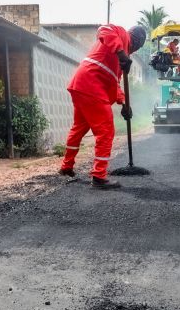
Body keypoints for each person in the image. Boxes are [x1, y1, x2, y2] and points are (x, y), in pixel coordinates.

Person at [59, 24, 147, 189]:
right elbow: (103, 30)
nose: (135, 50)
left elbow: (114, 82)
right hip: (91, 85)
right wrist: (121, 53)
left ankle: (66, 166)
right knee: (106, 131)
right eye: (139, 45)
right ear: (137, 40)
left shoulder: (124, 56)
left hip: (80, 85)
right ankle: (99, 176)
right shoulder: (122, 35)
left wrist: (124, 103)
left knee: (78, 128)